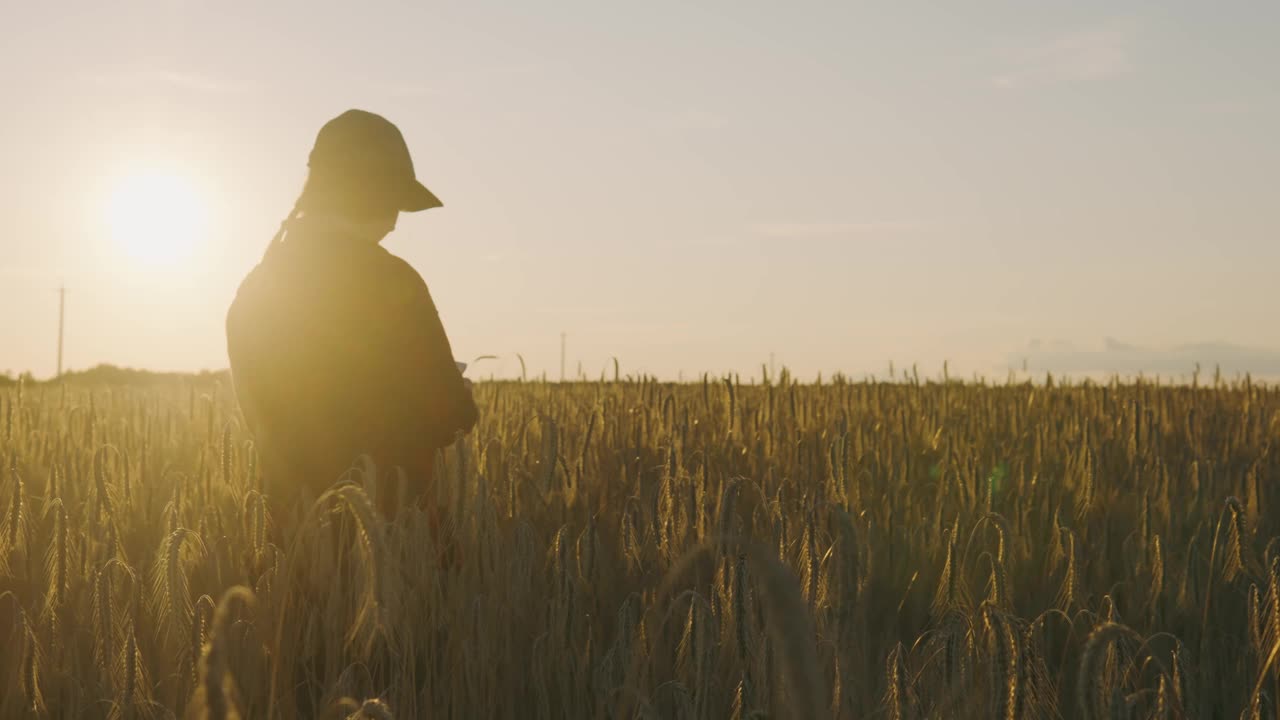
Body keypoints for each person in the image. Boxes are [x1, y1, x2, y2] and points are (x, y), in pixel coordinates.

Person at [226, 109, 477, 518]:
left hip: (288, 544)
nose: (395, 224)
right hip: (392, 539)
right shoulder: (390, 281)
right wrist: (461, 398)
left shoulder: (256, 287)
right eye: (395, 202)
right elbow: (445, 414)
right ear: (371, 194)